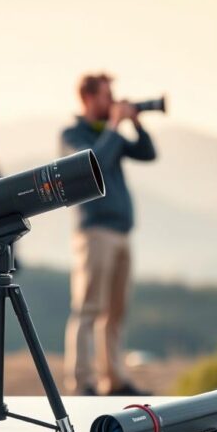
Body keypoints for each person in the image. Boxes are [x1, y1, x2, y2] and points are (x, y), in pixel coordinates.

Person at [60, 73, 156, 396]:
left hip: (121, 232)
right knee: (88, 308)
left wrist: (137, 124)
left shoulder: (106, 134)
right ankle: (81, 381)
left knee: (115, 311)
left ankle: (113, 379)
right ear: (87, 99)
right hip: (95, 232)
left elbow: (148, 153)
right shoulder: (74, 134)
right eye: (105, 96)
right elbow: (93, 163)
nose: (111, 101)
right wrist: (115, 126)